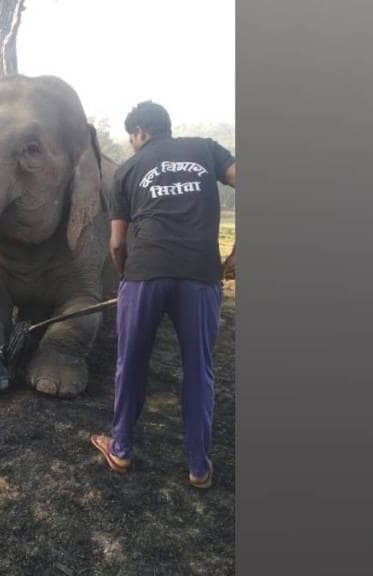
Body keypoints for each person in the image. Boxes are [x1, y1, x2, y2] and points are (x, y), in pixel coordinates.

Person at [89, 101, 236, 489]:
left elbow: (117, 244)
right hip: (200, 275)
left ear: (140, 133)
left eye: (131, 137)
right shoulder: (206, 150)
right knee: (199, 371)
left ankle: (120, 450)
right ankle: (199, 468)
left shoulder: (127, 171)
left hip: (145, 276)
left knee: (131, 362)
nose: (132, 144)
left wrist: (127, 282)